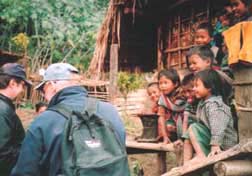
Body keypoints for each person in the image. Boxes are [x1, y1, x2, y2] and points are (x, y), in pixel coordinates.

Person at [11, 63, 126, 176]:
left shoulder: (44, 122)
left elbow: (25, 170)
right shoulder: (111, 112)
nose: (44, 96)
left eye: (43, 90)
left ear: (52, 84)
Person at [183, 69, 238, 163]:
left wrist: (215, 145)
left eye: (197, 86)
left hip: (223, 145)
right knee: (189, 133)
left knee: (193, 127)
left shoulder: (215, 105)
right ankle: (185, 163)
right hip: (213, 140)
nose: (194, 89)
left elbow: (218, 127)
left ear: (209, 88)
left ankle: (201, 156)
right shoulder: (203, 102)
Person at [0, 63, 32, 176]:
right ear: (12, 83)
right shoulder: (2, 110)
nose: (23, 90)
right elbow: (3, 154)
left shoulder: (5, 106)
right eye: (22, 85)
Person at [157, 69, 186, 144]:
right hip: (173, 128)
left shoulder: (185, 94)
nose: (162, 86)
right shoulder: (163, 98)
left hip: (187, 124)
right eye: (160, 83)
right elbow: (161, 116)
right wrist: (165, 136)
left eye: (166, 83)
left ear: (175, 84)